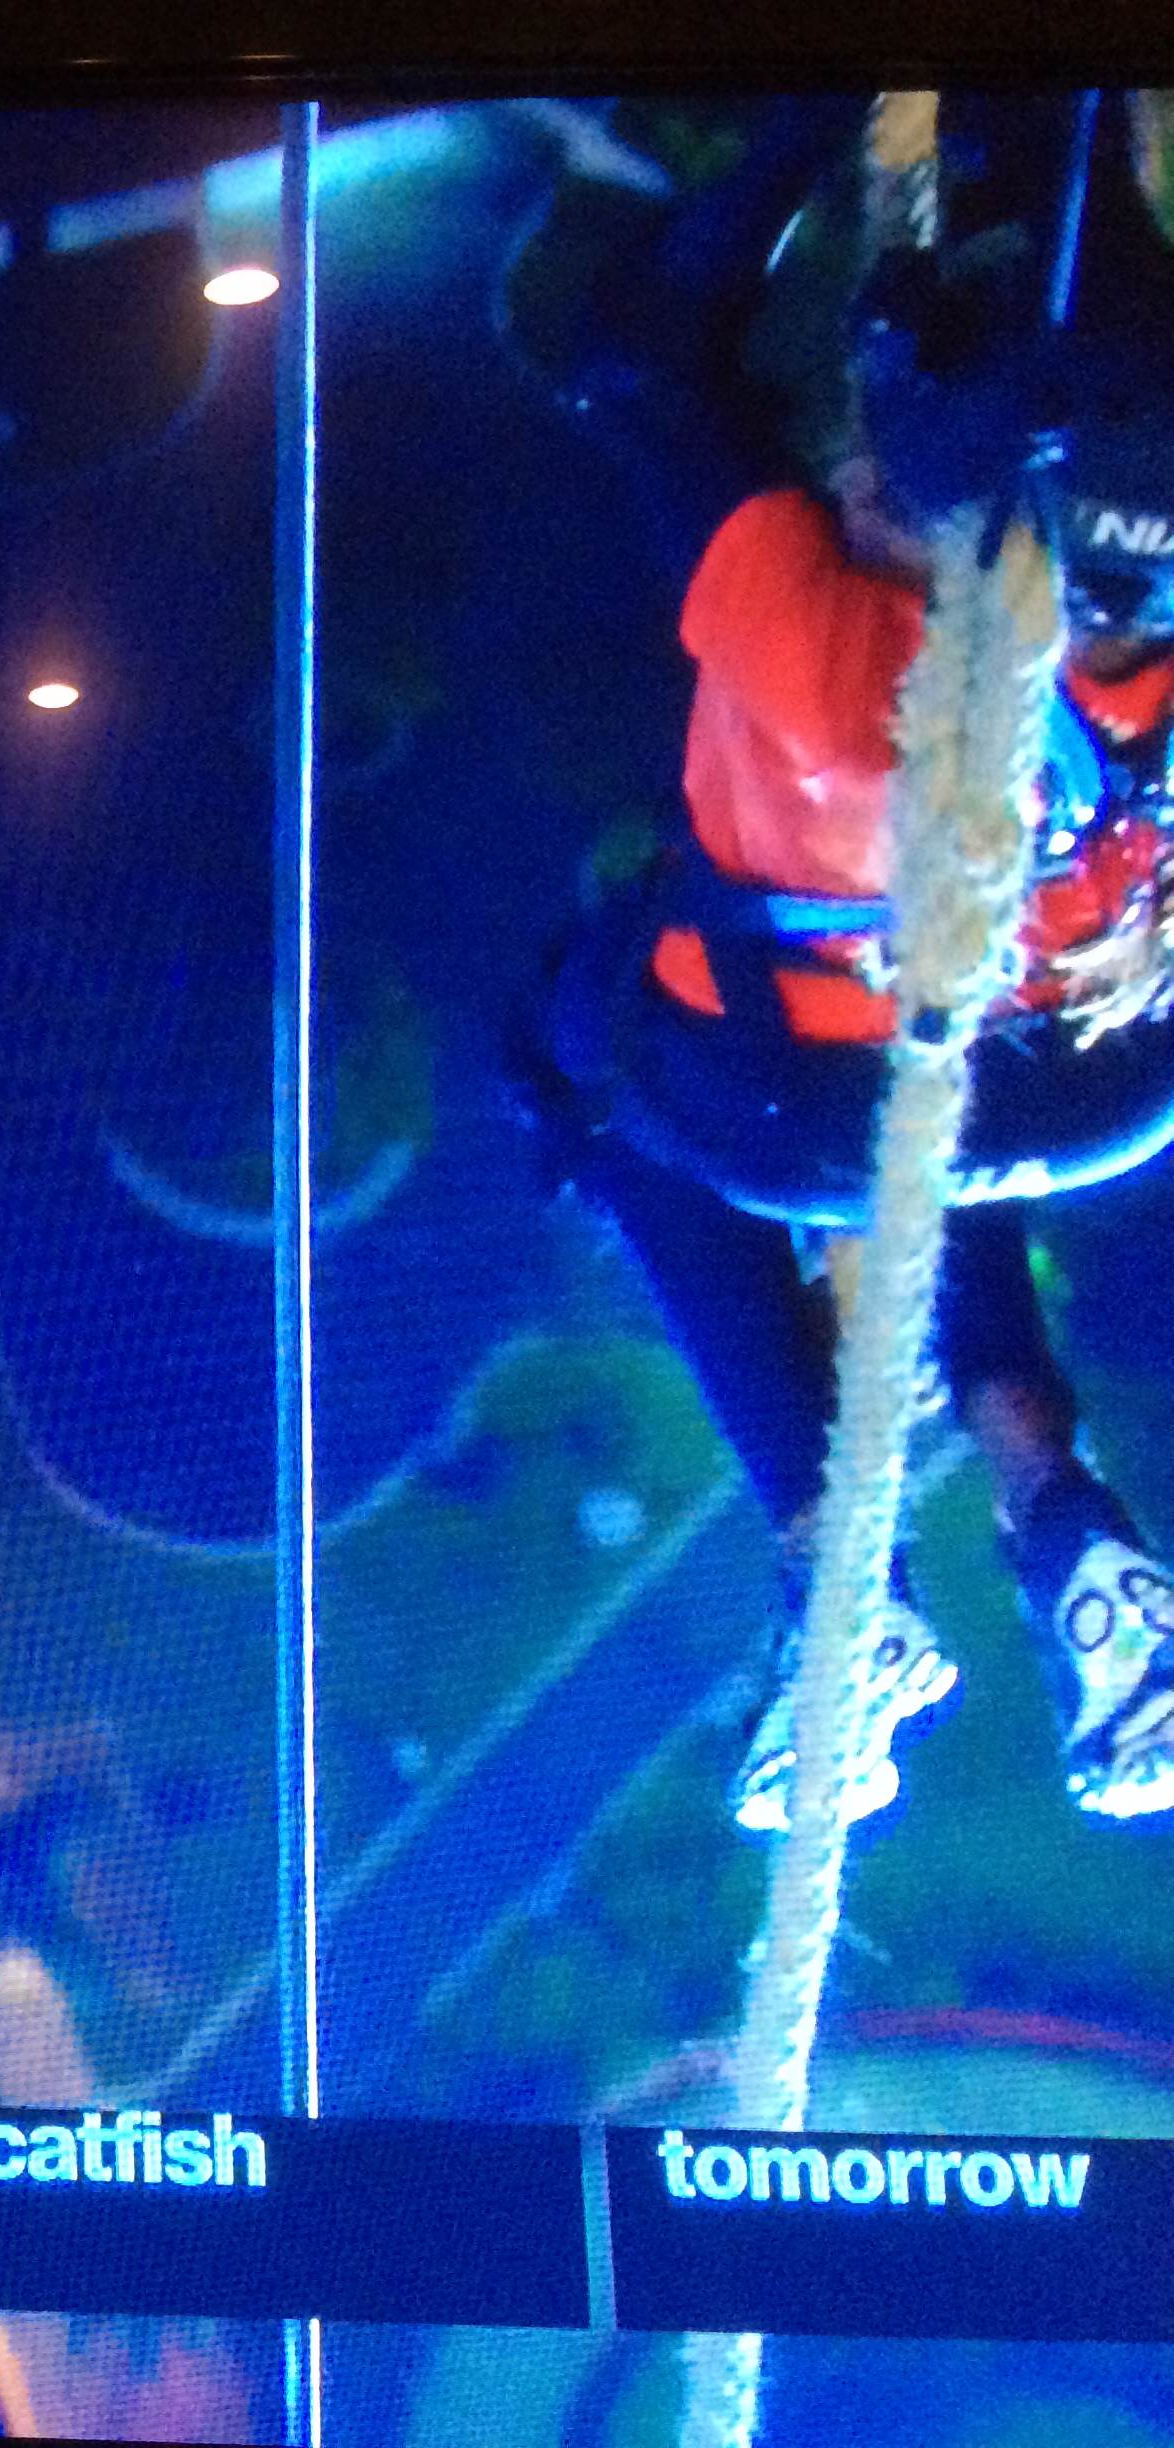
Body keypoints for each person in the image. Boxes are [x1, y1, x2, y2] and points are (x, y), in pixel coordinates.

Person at [523, 271, 1174, 1839]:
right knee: (943, 1097)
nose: (848, 485)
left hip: (791, 1095)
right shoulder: (1124, 659)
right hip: (1094, 1081)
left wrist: (770, 210)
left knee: (594, 1080)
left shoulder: (818, 643)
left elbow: (652, 373)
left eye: (871, 476)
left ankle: (839, 1573)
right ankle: (1057, 1507)